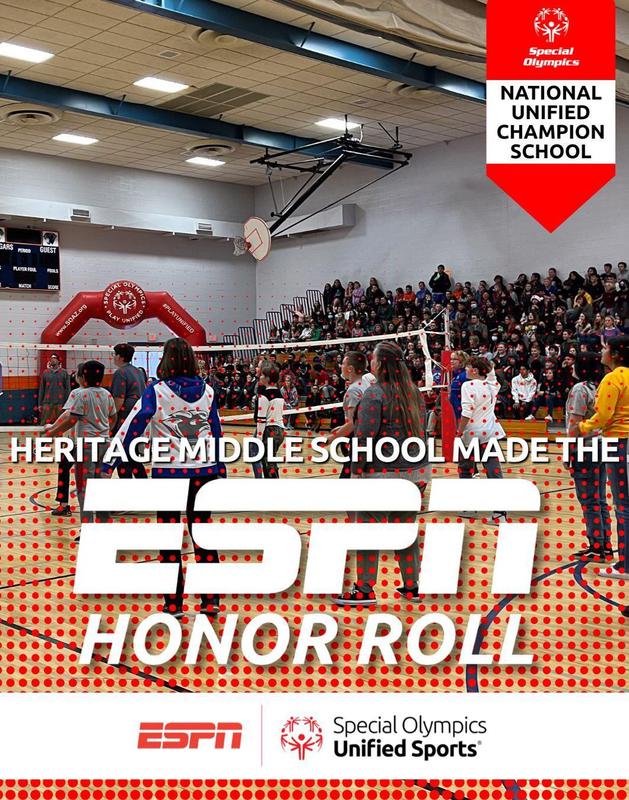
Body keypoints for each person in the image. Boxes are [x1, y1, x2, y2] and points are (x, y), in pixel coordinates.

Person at [109, 337, 225, 617]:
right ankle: (211, 600)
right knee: (203, 535)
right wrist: (220, 468)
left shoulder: (156, 391)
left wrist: (110, 461)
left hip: (170, 474)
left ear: (166, 359)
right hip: (205, 473)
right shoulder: (208, 390)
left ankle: (173, 604)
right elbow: (217, 430)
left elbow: (132, 426)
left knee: (169, 539)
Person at [334, 341, 429, 606]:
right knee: (404, 530)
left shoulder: (375, 394)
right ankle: (412, 585)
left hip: (383, 475)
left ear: (380, 364)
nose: (371, 363)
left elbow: (364, 438)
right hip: (415, 473)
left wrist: (356, 474)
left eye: (373, 359)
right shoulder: (414, 392)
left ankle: (364, 589)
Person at [576, 336, 629, 592]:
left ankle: (625, 565)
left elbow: (604, 414)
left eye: (606, 348)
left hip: (617, 443)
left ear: (616, 354)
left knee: (623, 507)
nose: (602, 352)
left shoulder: (613, 378)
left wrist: (583, 426)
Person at [43, 360, 116, 525]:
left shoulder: (79, 394)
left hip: (85, 445)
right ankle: (103, 523)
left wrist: (52, 432)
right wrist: (103, 430)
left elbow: (70, 418)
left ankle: (85, 525)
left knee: (84, 487)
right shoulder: (106, 394)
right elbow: (114, 417)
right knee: (99, 484)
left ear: (82, 376)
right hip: (104, 443)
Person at [565, 352, 611, 560]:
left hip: (586, 447)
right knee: (600, 498)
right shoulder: (602, 386)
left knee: (589, 500)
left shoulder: (580, 389)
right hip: (603, 444)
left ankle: (597, 546)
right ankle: (605, 543)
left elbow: (574, 425)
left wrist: (568, 451)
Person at [456, 358, 505, 522]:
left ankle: (469, 507)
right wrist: (485, 364)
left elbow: (467, 412)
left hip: (472, 434)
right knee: (493, 471)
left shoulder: (467, 386)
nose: (465, 370)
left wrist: (459, 431)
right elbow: (490, 369)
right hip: (490, 433)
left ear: (475, 371)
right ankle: (499, 513)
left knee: (465, 470)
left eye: (467, 367)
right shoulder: (492, 385)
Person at [323, 351, 375, 478]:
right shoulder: (366, 382)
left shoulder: (353, 390)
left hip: (358, 438)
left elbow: (354, 423)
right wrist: (341, 429)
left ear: (350, 368)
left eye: (343, 363)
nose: (341, 366)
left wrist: (331, 438)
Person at [110, 343, 147, 478]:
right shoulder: (138, 371)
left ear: (120, 357)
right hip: (138, 414)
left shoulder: (120, 373)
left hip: (125, 416)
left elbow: (118, 400)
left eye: (114, 354)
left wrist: (111, 421)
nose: (113, 357)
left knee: (122, 456)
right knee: (133, 456)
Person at [253, 363, 285, 479]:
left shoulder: (264, 395)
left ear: (267, 378)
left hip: (270, 430)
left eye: (261, 375)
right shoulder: (280, 394)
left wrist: (259, 438)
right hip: (280, 429)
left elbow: (261, 419)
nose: (259, 377)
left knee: (267, 462)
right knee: (271, 460)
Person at [38, 354, 70, 425]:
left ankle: (59, 436)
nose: (52, 359)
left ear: (58, 361)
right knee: (43, 422)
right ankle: (42, 436)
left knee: (60, 423)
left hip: (60, 402)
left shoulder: (64, 372)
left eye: (54, 358)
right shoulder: (45, 372)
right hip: (47, 401)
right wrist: (40, 403)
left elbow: (67, 389)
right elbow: (42, 389)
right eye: (51, 358)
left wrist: (67, 403)